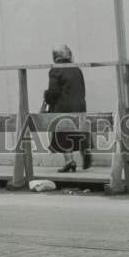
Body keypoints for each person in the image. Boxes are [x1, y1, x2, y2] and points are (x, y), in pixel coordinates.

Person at [43, 44, 91, 172]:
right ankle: (85, 151)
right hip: (79, 105)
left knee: (63, 133)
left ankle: (70, 161)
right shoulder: (77, 69)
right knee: (79, 131)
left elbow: (53, 91)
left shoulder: (55, 70)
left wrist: (46, 97)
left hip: (63, 106)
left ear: (56, 56)